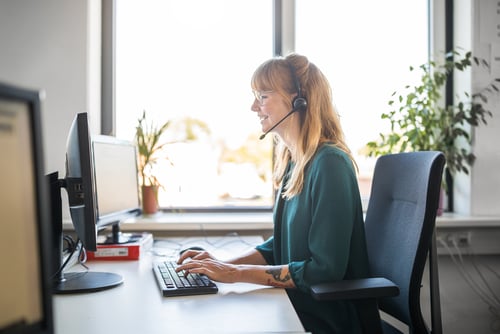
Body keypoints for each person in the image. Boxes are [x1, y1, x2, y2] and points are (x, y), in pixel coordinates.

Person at [176, 53, 370, 333]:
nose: (254, 106)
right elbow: (280, 246)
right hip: (294, 306)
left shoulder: (330, 164)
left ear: (298, 100)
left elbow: (325, 270)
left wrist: (235, 274)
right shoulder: (294, 162)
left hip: (326, 319)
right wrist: (220, 264)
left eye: (263, 96)